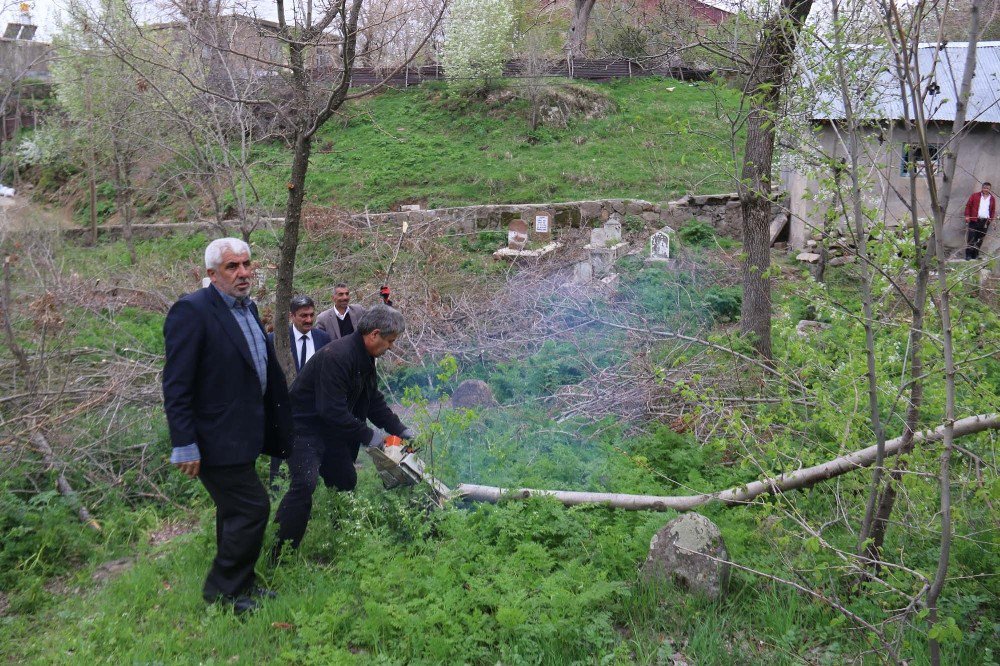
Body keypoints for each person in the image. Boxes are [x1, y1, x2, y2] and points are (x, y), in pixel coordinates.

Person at [162, 238, 292, 614]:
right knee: (252, 508)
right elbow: (176, 383)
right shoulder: (192, 311)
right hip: (214, 437)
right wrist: (183, 442)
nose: (243, 273)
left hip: (243, 435)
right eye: (232, 267)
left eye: (246, 264)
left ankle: (239, 586)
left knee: (234, 512)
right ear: (212, 274)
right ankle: (222, 590)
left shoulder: (246, 308)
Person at [273, 304, 415, 553]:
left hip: (329, 430)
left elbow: (372, 401)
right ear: (374, 334)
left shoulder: (365, 358)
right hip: (302, 428)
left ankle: (343, 538)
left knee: (345, 480)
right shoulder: (337, 356)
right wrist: (372, 437)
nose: (391, 346)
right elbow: (332, 410)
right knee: (305, 484)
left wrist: (400, 430)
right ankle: (280, 552)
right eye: (390, 341)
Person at [267, 295, 331, 491]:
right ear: (291, 316)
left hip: (313, 411)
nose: (309, 320)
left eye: (312, 315)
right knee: (281, 453)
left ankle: (314, 489)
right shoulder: (276, 340)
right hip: (285, 408)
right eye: (303, 316)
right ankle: (277, 493)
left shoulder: (323, 338)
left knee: (311, 454)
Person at [964, 182, 995, 260]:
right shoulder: (975, 196)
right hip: (974, 220)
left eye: (987, 188)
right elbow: (968, 206)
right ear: (982, 188)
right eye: (984, 188)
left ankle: (975, 255)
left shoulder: (992, 198)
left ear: (990, 189)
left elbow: (993, 210)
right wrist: (967, 216)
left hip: (985, 222)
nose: (986, 189)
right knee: (971, 237)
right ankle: (968, 255)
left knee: (980, 238)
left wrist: (990, 219)